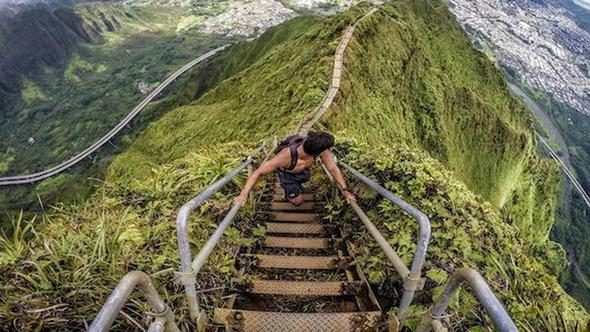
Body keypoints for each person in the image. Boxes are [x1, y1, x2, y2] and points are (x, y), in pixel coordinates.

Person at [234, 132, 355, 205]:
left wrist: (345, 190)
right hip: (287, 176)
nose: (327, 152)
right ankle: (288, 192)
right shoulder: (284, 157)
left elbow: (333, 169)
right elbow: (258, 172)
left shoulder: (322, 151)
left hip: (303, 173)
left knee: (303, 181)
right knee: (298, 202)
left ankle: (297, 187)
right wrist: (243, 195)